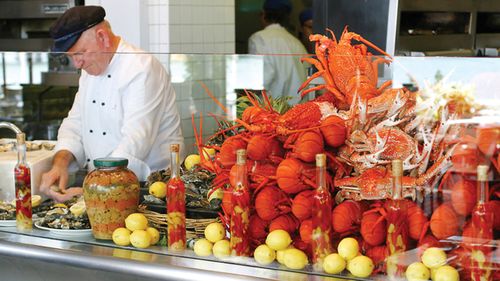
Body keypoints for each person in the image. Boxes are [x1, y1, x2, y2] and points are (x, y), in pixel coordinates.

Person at [40, 6, 184, 202]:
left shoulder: (142, 69)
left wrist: (89, 192)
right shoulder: (90, 70)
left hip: (151, 193)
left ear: (103, 37)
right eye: (71, 56)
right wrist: (60, 164)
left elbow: (134, 143)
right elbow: (75, 124)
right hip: (102, 188)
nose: (77, 64)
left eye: (80, 53)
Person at [248, 0, 308, 104]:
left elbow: (258, 82)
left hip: (271, 114)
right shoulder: (297, 43)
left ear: (264, 15)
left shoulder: (259, 38)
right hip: (297, 114)